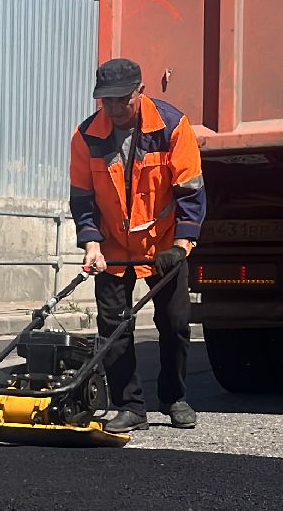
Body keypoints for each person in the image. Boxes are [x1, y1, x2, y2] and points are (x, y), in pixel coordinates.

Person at [69, 58, 206, 433]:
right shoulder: (87, 137)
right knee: (113, 330)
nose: (114, 108)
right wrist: (91, 245)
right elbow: (82, 199)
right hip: (112, 247)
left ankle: (174, 397)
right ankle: (130, 407)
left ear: (140, 92)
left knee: (175, 324)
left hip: (163, 246)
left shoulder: (172, 126)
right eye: (106, 101)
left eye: (122, 100)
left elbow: (190, 191)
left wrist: (180, 245)